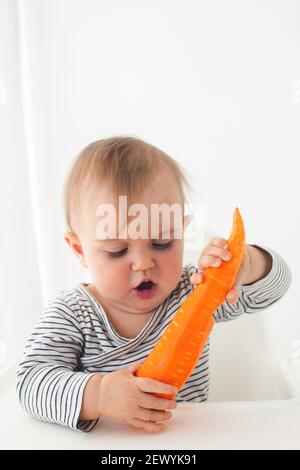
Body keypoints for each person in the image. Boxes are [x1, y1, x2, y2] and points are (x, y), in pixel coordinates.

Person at [16, 136, 292, 433]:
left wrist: (247, 264)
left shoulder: (192, 291)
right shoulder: (72, 314)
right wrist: (97, 395)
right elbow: (30, 383)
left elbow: (275, 288)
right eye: (117, 251)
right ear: (80, 250)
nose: (143, 263)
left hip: (191, 440)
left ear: (183, 232)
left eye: (162, 243)